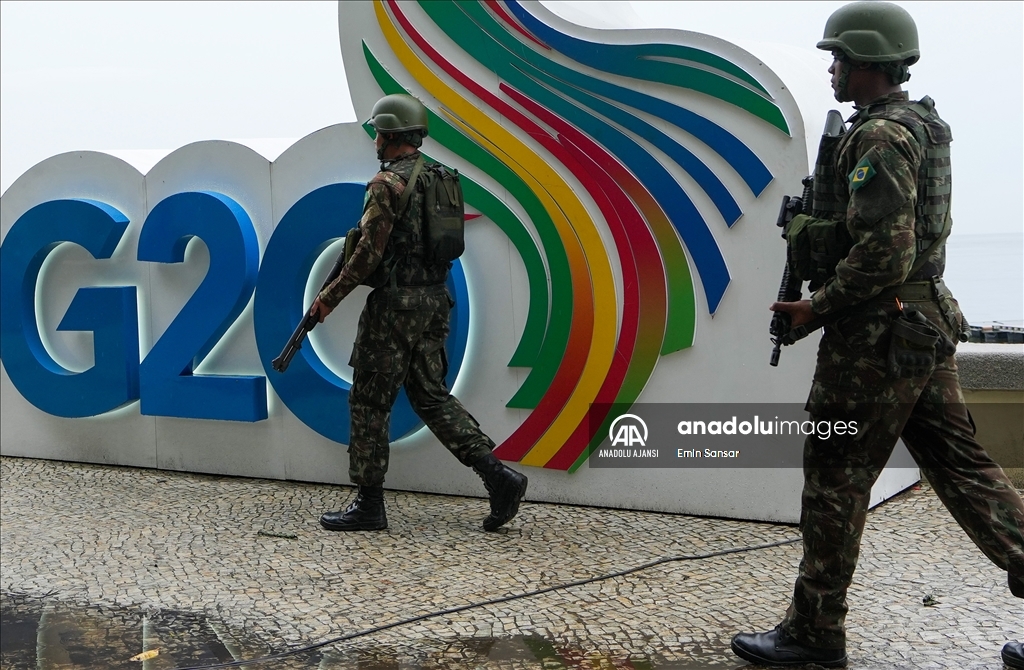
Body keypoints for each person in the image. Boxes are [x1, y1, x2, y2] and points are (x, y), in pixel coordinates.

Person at [731, 3, 1024, 668]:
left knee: (835, 474)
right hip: (915, 324)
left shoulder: (882, 139)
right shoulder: (910, 126)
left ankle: (812, 632)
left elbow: (886, 251)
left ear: (867, 61)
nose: (831, 67)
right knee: (964, 470)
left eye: (838, 57)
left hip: (878, 335)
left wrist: (818, 308)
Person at [309, 93, 528, 533]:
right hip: (434, 301)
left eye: (378, 132)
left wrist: (328, 297)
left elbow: (367, 255)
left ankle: (369, 506)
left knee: (370, 401)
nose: (375, 139)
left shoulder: (386, 185)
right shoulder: (440, 177)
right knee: (431, 395)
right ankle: (498, 475)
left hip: (394, 308)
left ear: (389, 135)